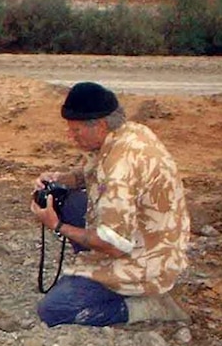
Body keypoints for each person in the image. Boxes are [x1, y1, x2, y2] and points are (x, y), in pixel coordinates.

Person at [30, 82, 190, 327]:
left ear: (100, 125)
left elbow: (114, 245)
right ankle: (95, 274)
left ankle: (144, 305)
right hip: (146, 236)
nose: (70, 136)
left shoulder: (120, 168)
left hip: (146, 258)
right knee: (67, 200)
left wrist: (57, 225)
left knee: (53, 311)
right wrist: (61, 180)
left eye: (76, 131)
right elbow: (90, 173)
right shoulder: (128, 134)